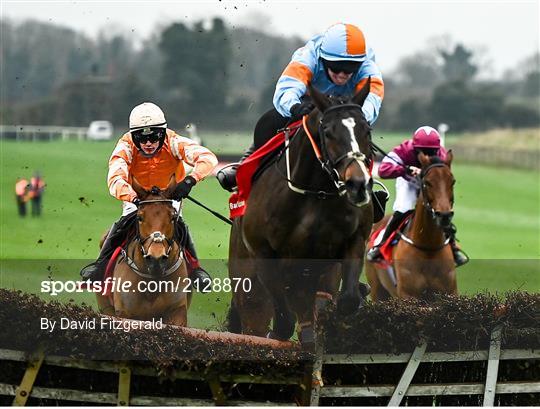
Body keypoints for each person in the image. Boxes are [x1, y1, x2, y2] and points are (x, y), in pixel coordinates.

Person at [217, 22, 384, 191]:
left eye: (349, 69)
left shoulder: (367, 65)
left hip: (345, 108)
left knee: (356, 133)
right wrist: (295, 107)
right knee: (270, 122)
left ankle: (366, 186)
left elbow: (373, 99)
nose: (342, 74)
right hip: (309, 102)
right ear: (323, 59)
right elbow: (287, 89)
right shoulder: (307, 56)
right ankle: (246, 164)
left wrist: (360, 116)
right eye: (336, 67)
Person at [80, 102, 218, 290]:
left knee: (179, 226)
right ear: (133, 136)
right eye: (142, 139)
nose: (148, 143)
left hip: (168, 197)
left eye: (154, 137)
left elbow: (208, 158)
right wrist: (133, 197)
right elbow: (115, 178)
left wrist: (190, 180)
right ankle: (99, 267)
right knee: (123, 224)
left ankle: (195, 270)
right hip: (137, 197)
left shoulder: (174, 142)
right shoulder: (125, 146)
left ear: (163, 133)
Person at [365, 126, 469, 266]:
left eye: (431, 151)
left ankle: (453, 247)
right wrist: (405, 169)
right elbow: (383, 171)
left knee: (442, 210)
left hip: (431, 183)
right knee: (404, 208)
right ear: (414, 147)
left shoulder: (442, 154)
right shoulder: (402, 150)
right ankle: (381, 245)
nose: (427, 154)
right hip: (408, 181)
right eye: (423, 151)